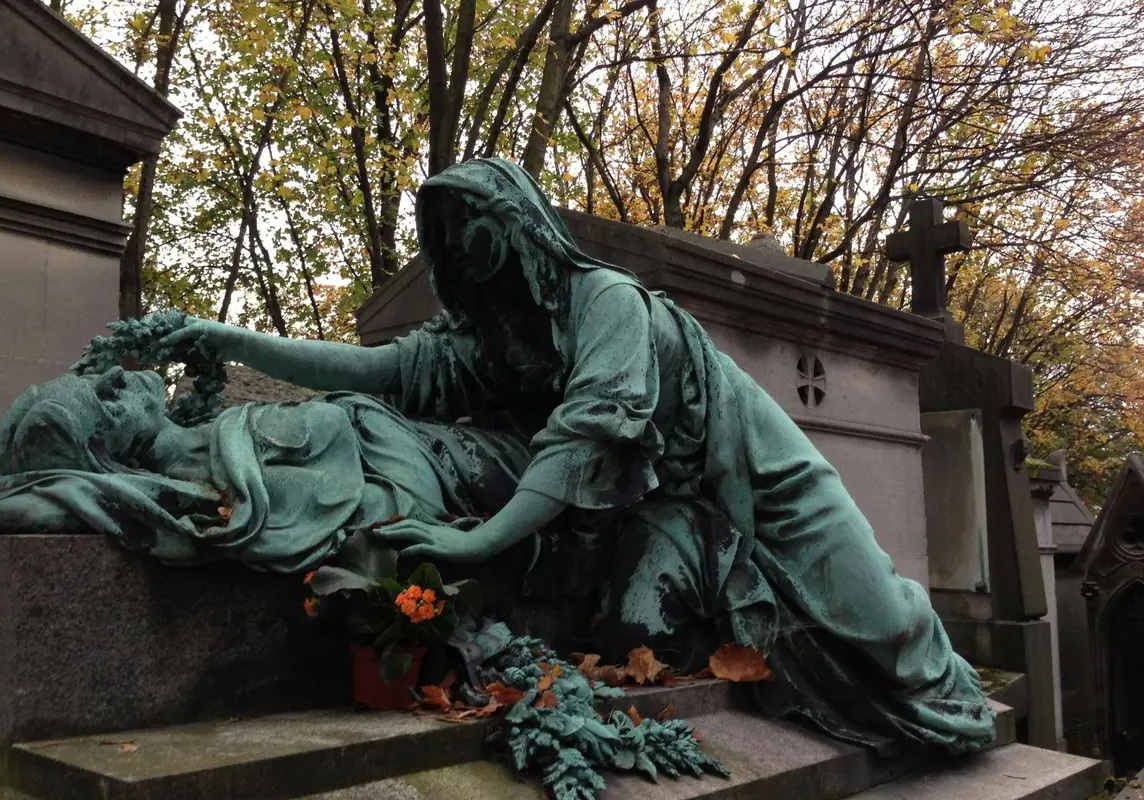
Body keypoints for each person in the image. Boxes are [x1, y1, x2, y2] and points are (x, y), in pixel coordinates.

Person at [156, 158, 995, 754]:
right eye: (448, 239)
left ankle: (949, 677)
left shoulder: (608, 303)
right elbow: (384, 372)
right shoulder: (500, 339)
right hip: (674, 510)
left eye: (474, 229)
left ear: (518, 228)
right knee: (652, 627)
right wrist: (234, 342)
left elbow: (588, 431)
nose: (464, 252)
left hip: (761, 477)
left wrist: (482, 543)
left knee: (878, 621)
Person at [0, 367, 530, 574]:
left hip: (471, 441)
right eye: (104, 405)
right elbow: (394, 510)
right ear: (108, 463)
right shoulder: (232, 492)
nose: (114, 379)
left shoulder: (226, 440)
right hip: (475, 474)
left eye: (94, 379)